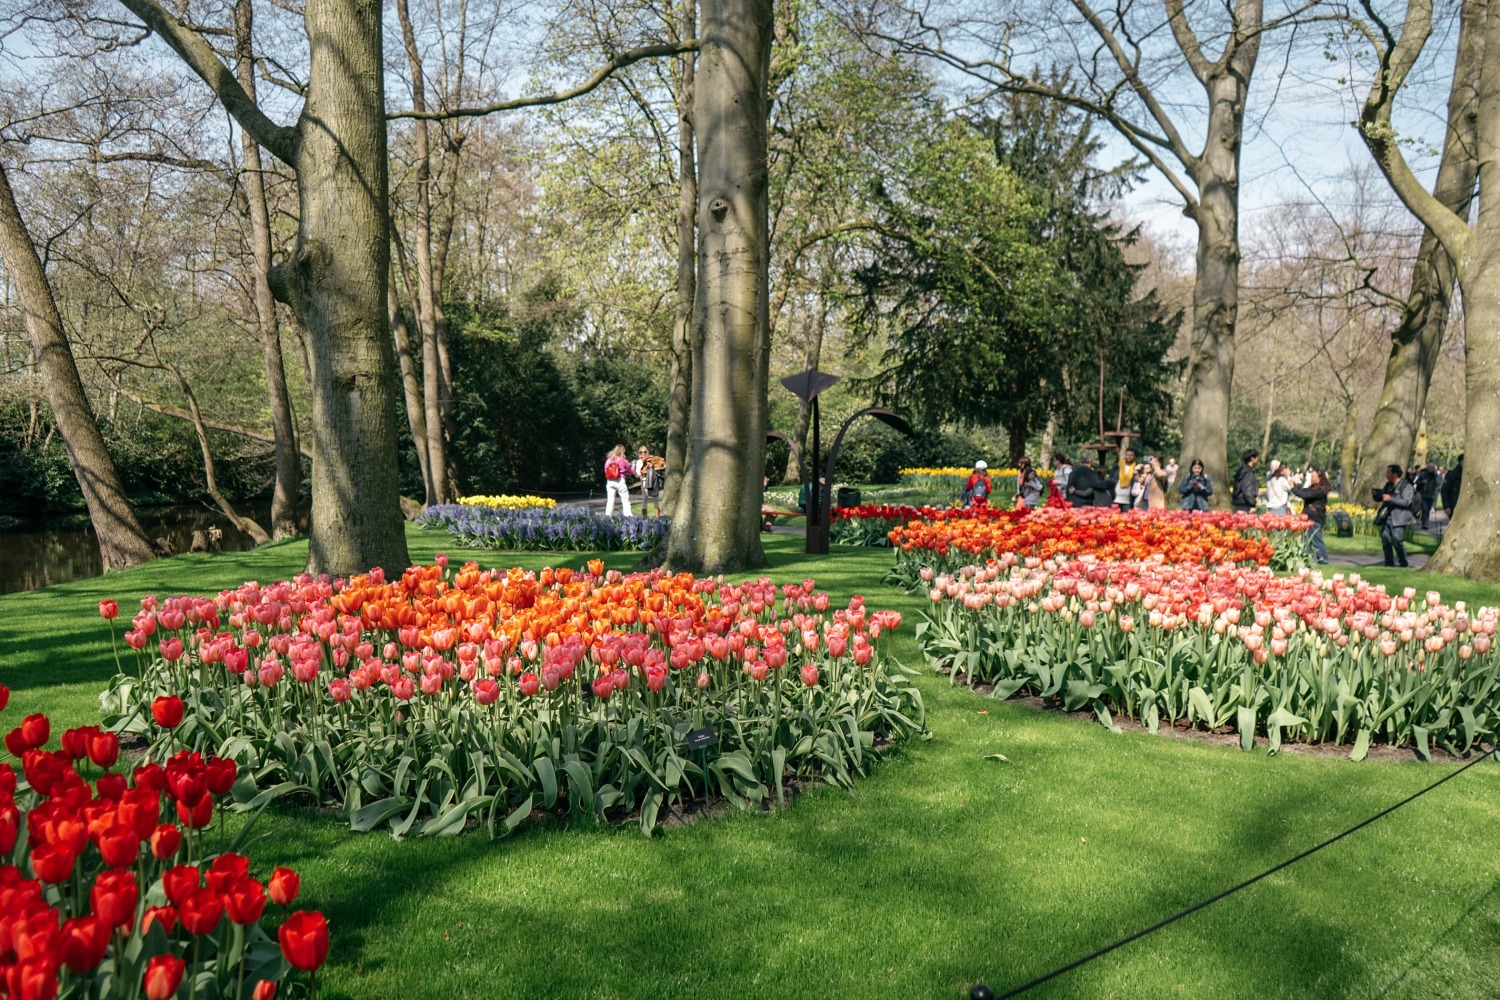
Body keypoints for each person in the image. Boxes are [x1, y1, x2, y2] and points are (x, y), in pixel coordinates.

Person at [1375, 463, 1416, 567]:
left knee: (1397, 541)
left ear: (1395, 474)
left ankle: (1403, 563)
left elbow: (1407, 502)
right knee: (1386, 541)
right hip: (1386, 517)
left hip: (1399, 518)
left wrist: (1391, 499)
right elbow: (1384, 497)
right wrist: (1376, 495)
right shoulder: (1388, 485)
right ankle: (1388, 563)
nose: (1386, 474)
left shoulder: (1406, 486)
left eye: (1388, 472)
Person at [1292, 469, 1331, 564]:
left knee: (1317, 541)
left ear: (1320, 478)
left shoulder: (1321, 490)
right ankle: (1305, 560)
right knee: (1306, 541)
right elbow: (1303, 491)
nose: (1311, 479)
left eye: (1313, 477)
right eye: (1311, 476)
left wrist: (1292, 488)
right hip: (1307, 517)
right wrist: (1295, 486)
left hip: (1316, 519)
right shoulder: (1313, 488)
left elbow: (1306, 495)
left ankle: (1324, 561)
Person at [603, 444, 633, 517]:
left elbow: (605, 469)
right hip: (620, 481)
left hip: (610, 481)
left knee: (610, 501)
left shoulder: (609, 460)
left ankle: (607, 518)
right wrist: (633, 466)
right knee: (625, 501)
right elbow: (630, 472)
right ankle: (628, 518)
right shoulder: (624, 461)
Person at [634, 445, 665, 517]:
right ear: (639, 453)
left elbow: (660, 467)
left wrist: (652, 466)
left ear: (647, 452)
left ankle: (657, 517)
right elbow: (637, 474)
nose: (643, 453)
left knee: (655, 497)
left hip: (653, 480)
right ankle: (645, 517)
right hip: (644, 480)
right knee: (645, 498)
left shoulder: (652, 459)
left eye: (645, 452)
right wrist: (637, 473)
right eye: (641, 452)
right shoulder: (638, 462)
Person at [1414, 462, 1439, 530]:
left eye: (1432, 468)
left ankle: (1425, 522)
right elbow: (1417, 482)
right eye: (1430, 468)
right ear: (1427, 468)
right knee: (1424, 509)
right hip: (1423, 495)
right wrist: (1423, 482)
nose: (1431, 469)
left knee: (1427, 510)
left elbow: (1438, 484)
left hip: (1431, 496)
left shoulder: (1436, 475)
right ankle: (1424, 523)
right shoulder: (1423, 474)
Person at [1440, 454, 1463, 518]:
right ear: (1461, 462)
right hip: (1454, 504)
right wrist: (1446, 506)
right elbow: (1445, 491)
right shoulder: (1452, 475)